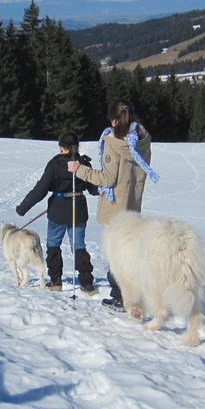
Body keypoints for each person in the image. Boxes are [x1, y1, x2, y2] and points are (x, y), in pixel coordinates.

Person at [67, 98, 159, 311]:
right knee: (131, 255)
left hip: (116, 209)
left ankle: (121, 297)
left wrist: (79, 169)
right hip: (133, 207)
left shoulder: (113, 142)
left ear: (115, 120)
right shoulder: (142, 139)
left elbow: (107, 179)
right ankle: (132, 296)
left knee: (116, 258)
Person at [16, 131, 99, 294]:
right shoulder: (83, 164)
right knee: (79, 246)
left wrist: (23, 208)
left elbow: (40, 190)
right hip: (79, 209)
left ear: (61, 148)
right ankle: (87, 283)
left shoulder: (54, 166)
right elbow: (94, 189)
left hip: (58, 211)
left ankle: (55, 280)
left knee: (54, 244)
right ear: (77, 147)